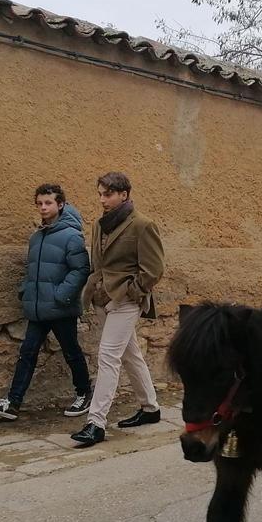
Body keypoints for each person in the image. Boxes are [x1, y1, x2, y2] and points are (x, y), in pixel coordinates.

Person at [0, 184, 91, 420]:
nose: (43, 207)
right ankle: (13, 402)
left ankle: (84, 394)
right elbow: (31, 271)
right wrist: (26, 290)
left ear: (60, 204)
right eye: (39, 203)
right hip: (38, 308)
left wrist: (61, 296)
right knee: (27, 353)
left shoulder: (72, 235)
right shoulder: (36, 237)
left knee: (71, 352)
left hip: (61, 308)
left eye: (48, 202)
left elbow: (81, 269)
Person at [72, 172, 166, 447]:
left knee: (108, 356)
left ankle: (96, 422)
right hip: (103, 298)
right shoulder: (100, 225)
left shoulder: (143, 225)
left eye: (108, 194)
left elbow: (154, 269)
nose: (103, 199)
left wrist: (131, 293)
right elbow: (97, 262)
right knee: (130, 354)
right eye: (100, 194)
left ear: (123, 194)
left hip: (127, 301)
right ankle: (151, 408)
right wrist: (96, 289)